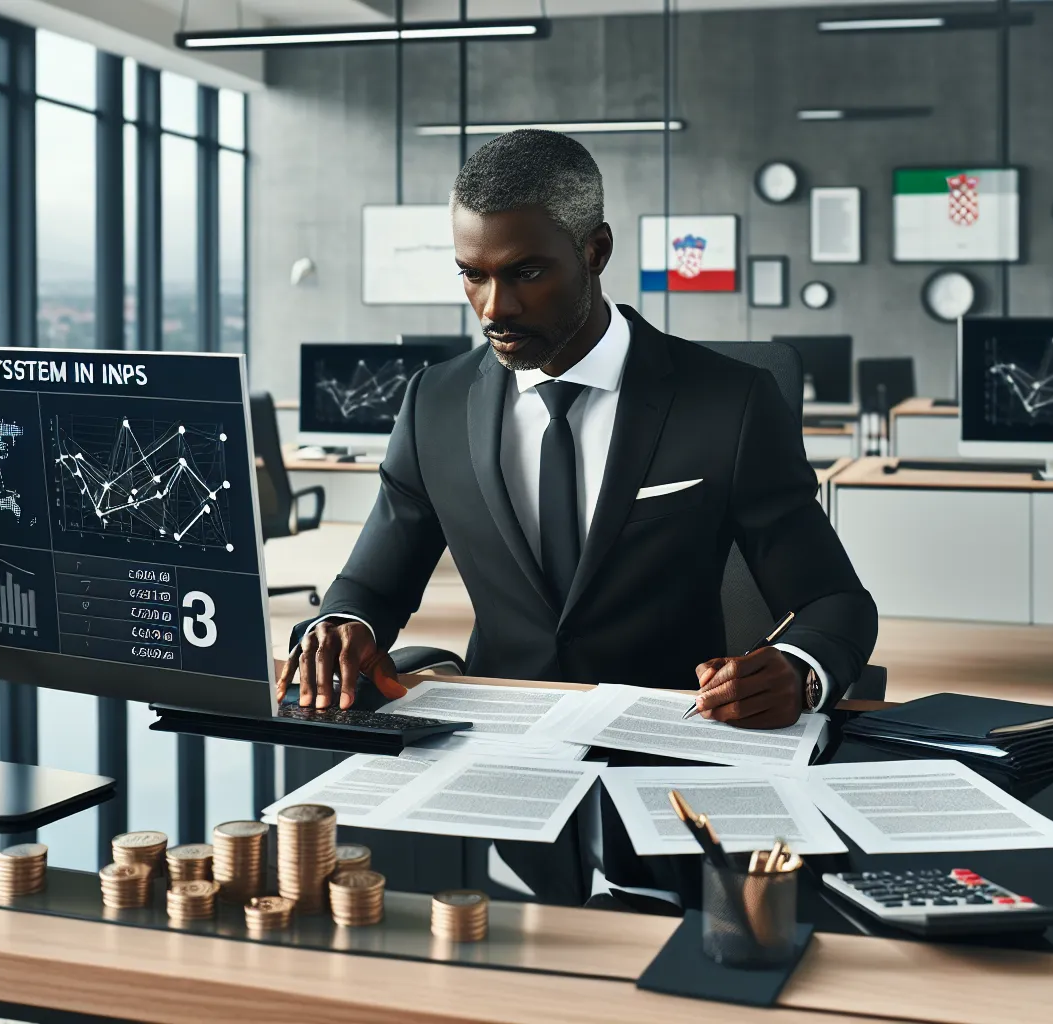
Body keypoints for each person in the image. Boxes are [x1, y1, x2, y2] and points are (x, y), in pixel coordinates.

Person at [278, 130, 877, 906]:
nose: (497, 307)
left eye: (527, 272)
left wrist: (800, 669)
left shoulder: (729, 403)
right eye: (472, 277)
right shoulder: (435, 402)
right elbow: (370, 586)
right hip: (493, 780)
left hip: (672, 773)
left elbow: (837, 602)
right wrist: (342, 627)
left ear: (594, 250)